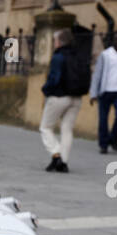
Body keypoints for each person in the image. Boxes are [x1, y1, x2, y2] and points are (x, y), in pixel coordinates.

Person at [39, 28, 84, 173]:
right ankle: (62, 162)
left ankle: (56, 154)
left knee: (45, 127)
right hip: (76, 97)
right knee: (67, 129)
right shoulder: (78, 55)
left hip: (59, 96)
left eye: (55, 40)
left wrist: (45, 89)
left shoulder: (59, 56)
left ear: (59, 41)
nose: (54, 43)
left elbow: (54, 78)